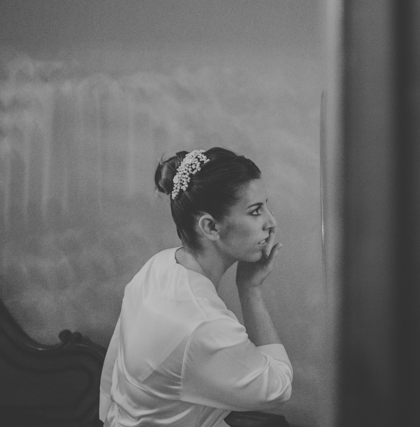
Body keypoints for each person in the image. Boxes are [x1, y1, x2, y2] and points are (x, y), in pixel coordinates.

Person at [99, 147, 292, 427]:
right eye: (255, 211)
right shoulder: (203, 325)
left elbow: (115, 368)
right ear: (210, 227)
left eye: (266, 206)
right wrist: (250, 290)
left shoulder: (158, 265)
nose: (271, 223)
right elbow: (279, 386)